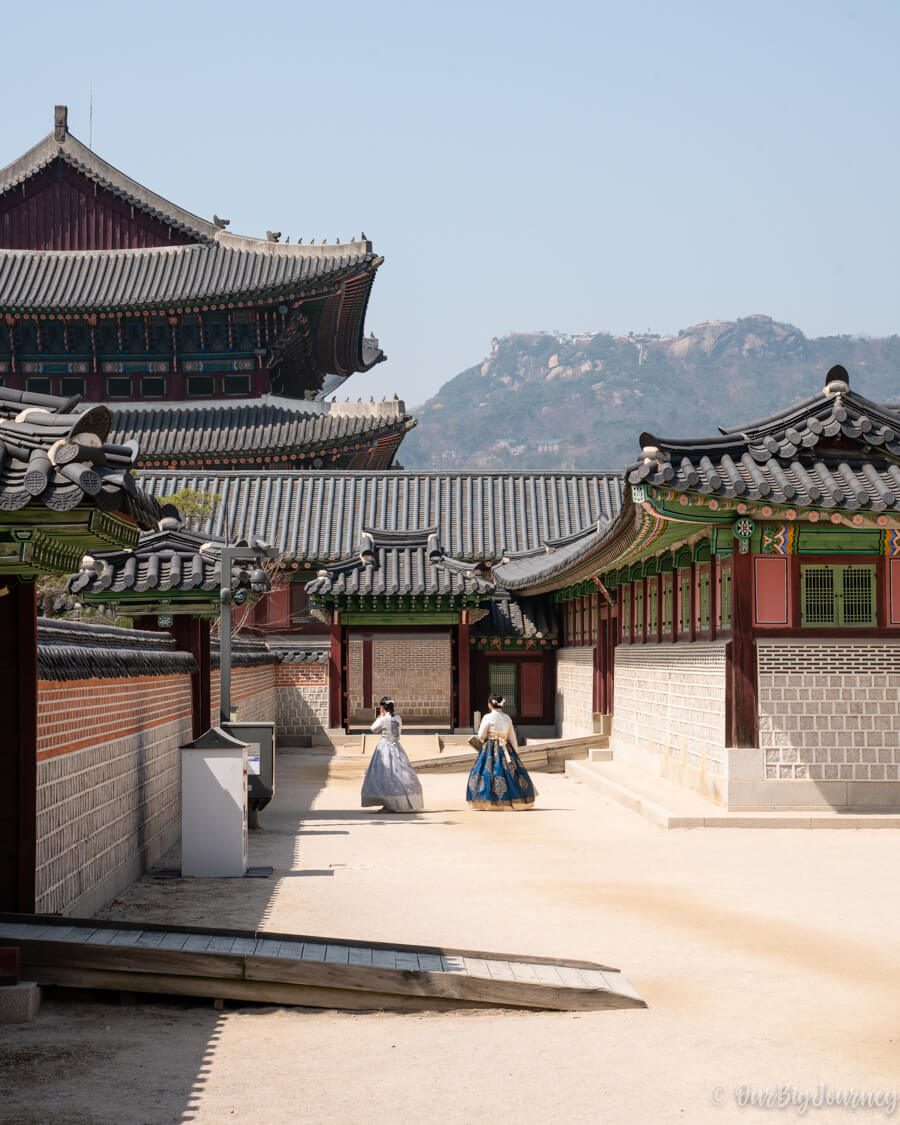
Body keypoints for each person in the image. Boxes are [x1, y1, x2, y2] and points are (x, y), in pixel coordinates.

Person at [466, 694, 537, 810]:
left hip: (489, 748)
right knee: (511, 774)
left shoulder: (487, 718)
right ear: (502, 705)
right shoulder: (507, 718)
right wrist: (515, 754)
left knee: (486, 773)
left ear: (490, 705)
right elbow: (512, 738)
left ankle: (486, 801)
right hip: (505, 748)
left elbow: (481, 736)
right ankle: (512, 800)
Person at [361, 697, 424, 813]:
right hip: (396, 746)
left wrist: (379, 717)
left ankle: (388, 803)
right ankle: (401, 800)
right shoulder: (398, 718)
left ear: (382, 708)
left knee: (385, 774)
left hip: (385, 746)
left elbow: (373, 729)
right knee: (400, 772)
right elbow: (400, 731)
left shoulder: (383, 719)